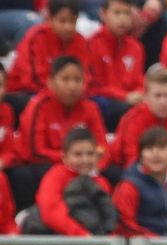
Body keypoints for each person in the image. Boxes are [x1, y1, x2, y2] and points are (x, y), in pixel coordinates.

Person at [12, 57, 107, 211]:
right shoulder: (38, 106)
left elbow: (102, 146)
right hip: (47, 165)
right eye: (65, 79)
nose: (72, 86)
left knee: (111, 173)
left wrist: (96, 163)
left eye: (77, 80)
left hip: (80, 162)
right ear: (50, 81)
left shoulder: (90, 108)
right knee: (24, 174)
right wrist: (70, 160)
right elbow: (34, 152)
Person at [26, 124, 113, 245]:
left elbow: (108, 217)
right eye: (78, 155)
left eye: (90, 154)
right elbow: (51, 213)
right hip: (55, 239)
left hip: (92, 242)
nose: (85, 160)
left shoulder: (101, 183)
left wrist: (104, 243)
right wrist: (86, 239)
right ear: (64, 157)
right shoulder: (55, 176)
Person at [105, 66, 167, 175]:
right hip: (128, 172)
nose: (163, 102)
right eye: (158, 96)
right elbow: (131, 159)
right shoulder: (134, 119)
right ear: (146, 97)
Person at [8, 0, 90, 106]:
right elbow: (30, 78)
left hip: (67, 95)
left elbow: (86, 75)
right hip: (27, 91)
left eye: (72, 22)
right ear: (50, 19)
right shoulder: (36, 37)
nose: (68, 27)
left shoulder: (81, 41)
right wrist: (60, 93)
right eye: (62, 21)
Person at [87, 0, 145, 129]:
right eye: (117, 13)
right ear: (103, 14)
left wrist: (140, 94)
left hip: (129, 99)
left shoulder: (136, 47)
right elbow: (93, 87)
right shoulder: (92, 44)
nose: (123, 19)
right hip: (104, 100)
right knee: (120, 108)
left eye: (127, 13)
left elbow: (139, 80)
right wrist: (125, 96)